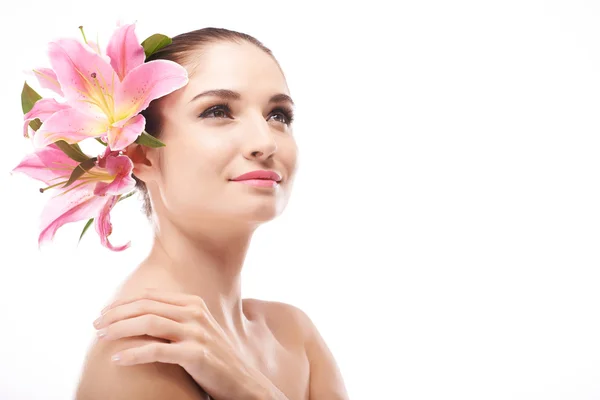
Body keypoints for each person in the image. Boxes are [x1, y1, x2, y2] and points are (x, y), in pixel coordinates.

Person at [74, 27, 349, 400]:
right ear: (140, 156)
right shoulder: (142, 345)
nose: (265, 142)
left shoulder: (293, 334)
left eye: (278, 115)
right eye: (218, 111)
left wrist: (248, 388)